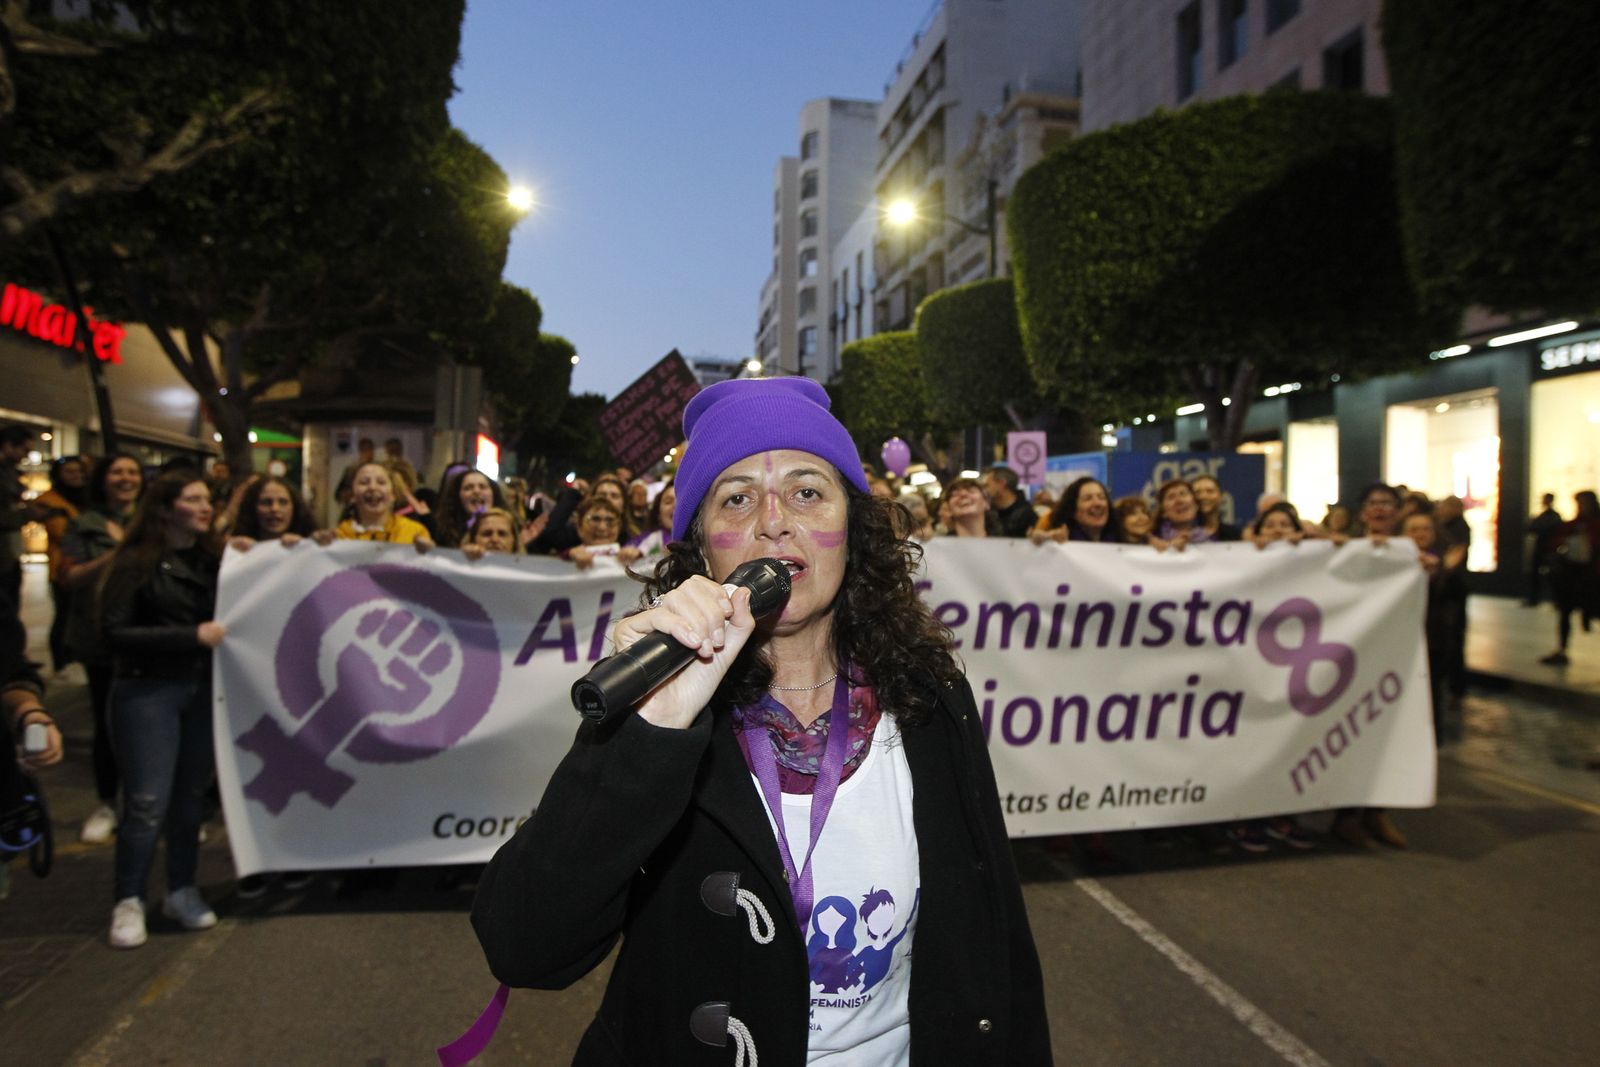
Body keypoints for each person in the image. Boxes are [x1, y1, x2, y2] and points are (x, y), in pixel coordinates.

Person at [472, 376, 1050, 1065]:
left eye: (808, 491)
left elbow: (996, 942)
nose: (774, 520)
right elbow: (526, 944)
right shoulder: (665, 705)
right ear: (702, 550)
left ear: (853, 528)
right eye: (737, 497)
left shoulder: (928, 697)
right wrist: (650, 730)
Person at [99, 474, 227, 948]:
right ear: (165, 509)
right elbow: (113, 633)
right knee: (147, 803)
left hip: (199, 691)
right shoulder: (135, 564)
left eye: (207, 499)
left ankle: (180, 888)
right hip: (146, 693)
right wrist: (189, 637)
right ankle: (129, 899)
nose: (205, 506)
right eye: (193, 499)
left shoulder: (214, 561)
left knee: (189, 798)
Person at [59, 453, 145, 844]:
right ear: (103, 480)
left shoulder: (152, 523)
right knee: (107, 725)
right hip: (100, 643)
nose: (125, 479)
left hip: (148, 639)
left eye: (132, 472)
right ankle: (108, 802)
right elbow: (69, 577)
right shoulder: (84, 525)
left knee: (148, 728)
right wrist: (115, 557)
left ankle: (146, 804)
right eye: (117, 472)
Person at [1331, 482, 1408, 850]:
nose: (1380, 510)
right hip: (1352, 657)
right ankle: (1346, 816)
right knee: (1352, 731)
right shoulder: (1345, 550)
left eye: (1387, 504)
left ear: (1397, 511)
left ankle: (1376, 810)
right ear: (1363, 513)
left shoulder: (1409, 552)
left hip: (1396, 655)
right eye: (1373, 504)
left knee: (1389, 733)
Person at [1401, 511, 1467, 744]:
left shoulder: (1446, 560)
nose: (1420, 534)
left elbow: (1455, 597)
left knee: (1432, 691)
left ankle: (1431, 739)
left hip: (1433, 638)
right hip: (1401, 639)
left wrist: (1442, 571)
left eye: (1425, 529)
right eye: (1414, 529)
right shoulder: (1393, 561)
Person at [35, 456, 89, 671]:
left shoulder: (86, 498)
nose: (76, 476)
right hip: (62, 570)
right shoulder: (49, 500)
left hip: (85, 567)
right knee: (64, 616)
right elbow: (61, 532)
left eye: (79, 471)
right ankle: (61, 662)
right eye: (69, 472)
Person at [1542, 490, 1600, 667]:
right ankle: (1562, 649)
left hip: (1592, 574)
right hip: (1573, 574)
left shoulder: (1592, 524)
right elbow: (1556, 540)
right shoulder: (1574, 524)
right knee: (1565, 612)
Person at [333, 462, 433, 546]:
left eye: (381, 482)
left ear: (393, 494)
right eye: (364, 482)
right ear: (352, 496)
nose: (372, 487)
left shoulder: (414, 532)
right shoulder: (340, 536)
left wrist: (429, 553)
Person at [1030, 476, 1121, 545]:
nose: (1097, 503)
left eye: (1101, 497)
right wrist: (1045, 541)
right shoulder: (1061, 542)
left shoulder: (1121, 539)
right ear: (1072, 510)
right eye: (1087, 498)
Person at [435, 469, 508, 549]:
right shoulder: (442, 533)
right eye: (468, 488)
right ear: (457, 496)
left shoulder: (512, 525)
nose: (476, 491)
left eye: (482, 487)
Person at [229, 476, 315, 542]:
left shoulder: (311, 546)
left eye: (283, 502)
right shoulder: (238, 549)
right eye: (266, 502)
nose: (274, 509)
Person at [619, 478, 674, 571]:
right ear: (658, 515)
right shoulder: (650, 539)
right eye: (668, 502)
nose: (676, 505)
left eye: (682, 500)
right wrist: (629, 553)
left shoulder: (704, 537)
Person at [564, 497, 624, 570]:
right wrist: (568, 556)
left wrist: (639, 557)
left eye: (610, 520)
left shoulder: (633, 559)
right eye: (595, 519)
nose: (602, 528)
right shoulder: (567, 558)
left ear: (619, 527)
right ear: (579, 527)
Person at [1526, 493, 1563, 605]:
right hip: (1544, 547)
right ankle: (1536, 599)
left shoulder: (1551, 516)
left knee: (1551, 576)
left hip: (1548, 548)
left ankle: (1554, 599)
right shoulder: (1546, 516)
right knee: (1538, 575)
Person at [981, 465, 1036, 538]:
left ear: (1001, 484)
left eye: (986, 485)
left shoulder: (1028, 516)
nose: (982, 490)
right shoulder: (985, 512)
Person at [1190, 474, 1243, 541]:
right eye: (1197, 492)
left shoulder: (1235, 535)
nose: (1203, 496)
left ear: (1221, 497)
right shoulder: (1184, 535)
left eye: (1210, 491)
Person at [333, 437, 376, 514]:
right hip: (354, 510)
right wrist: (348, 495)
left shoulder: (379, 470)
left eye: (370, 449)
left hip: (374, 509)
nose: (368, 453)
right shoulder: (351, 470)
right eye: (365, 450)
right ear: (361, 451)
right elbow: (338, 494)